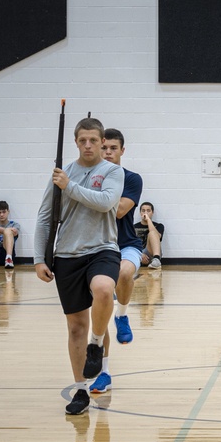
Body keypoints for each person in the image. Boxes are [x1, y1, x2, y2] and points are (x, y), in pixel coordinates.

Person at [34, 117, 124, 415]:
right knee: (75, 328)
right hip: (66, 255)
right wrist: (38, 258)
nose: (88, 145)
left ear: (102, 142)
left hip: (102, 248)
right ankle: (81, 391)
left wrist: (69, 186)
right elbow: (45, 217)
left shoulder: (112, 170)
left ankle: (97, 344)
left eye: (93, 141)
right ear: (76, 142)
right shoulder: (63, 174)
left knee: (103, 288)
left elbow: (106, 202)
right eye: (82, 140)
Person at [89, 128, 144, 394]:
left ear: (122, 151)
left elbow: (121, 209)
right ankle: (104, 372)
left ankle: (122, 315)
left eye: (113, 148)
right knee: (99, 312)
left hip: (126, 245)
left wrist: (88, 199)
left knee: (124, 274)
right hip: (96, 248)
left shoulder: (132, 179)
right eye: (105, 147)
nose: (108, 152)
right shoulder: (88, 178)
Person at [133, 202, 164, 268]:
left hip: (152, 253)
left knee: (152, 233)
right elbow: (130, 243)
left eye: (148, 211)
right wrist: (140, 254)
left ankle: (156, 260)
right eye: (143, 211)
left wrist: (148, 220)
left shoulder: (159, 226)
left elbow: (158, 236)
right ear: (140, 213)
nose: (145, 213)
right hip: (138, 253)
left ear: (152, 213)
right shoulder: (133, 227)